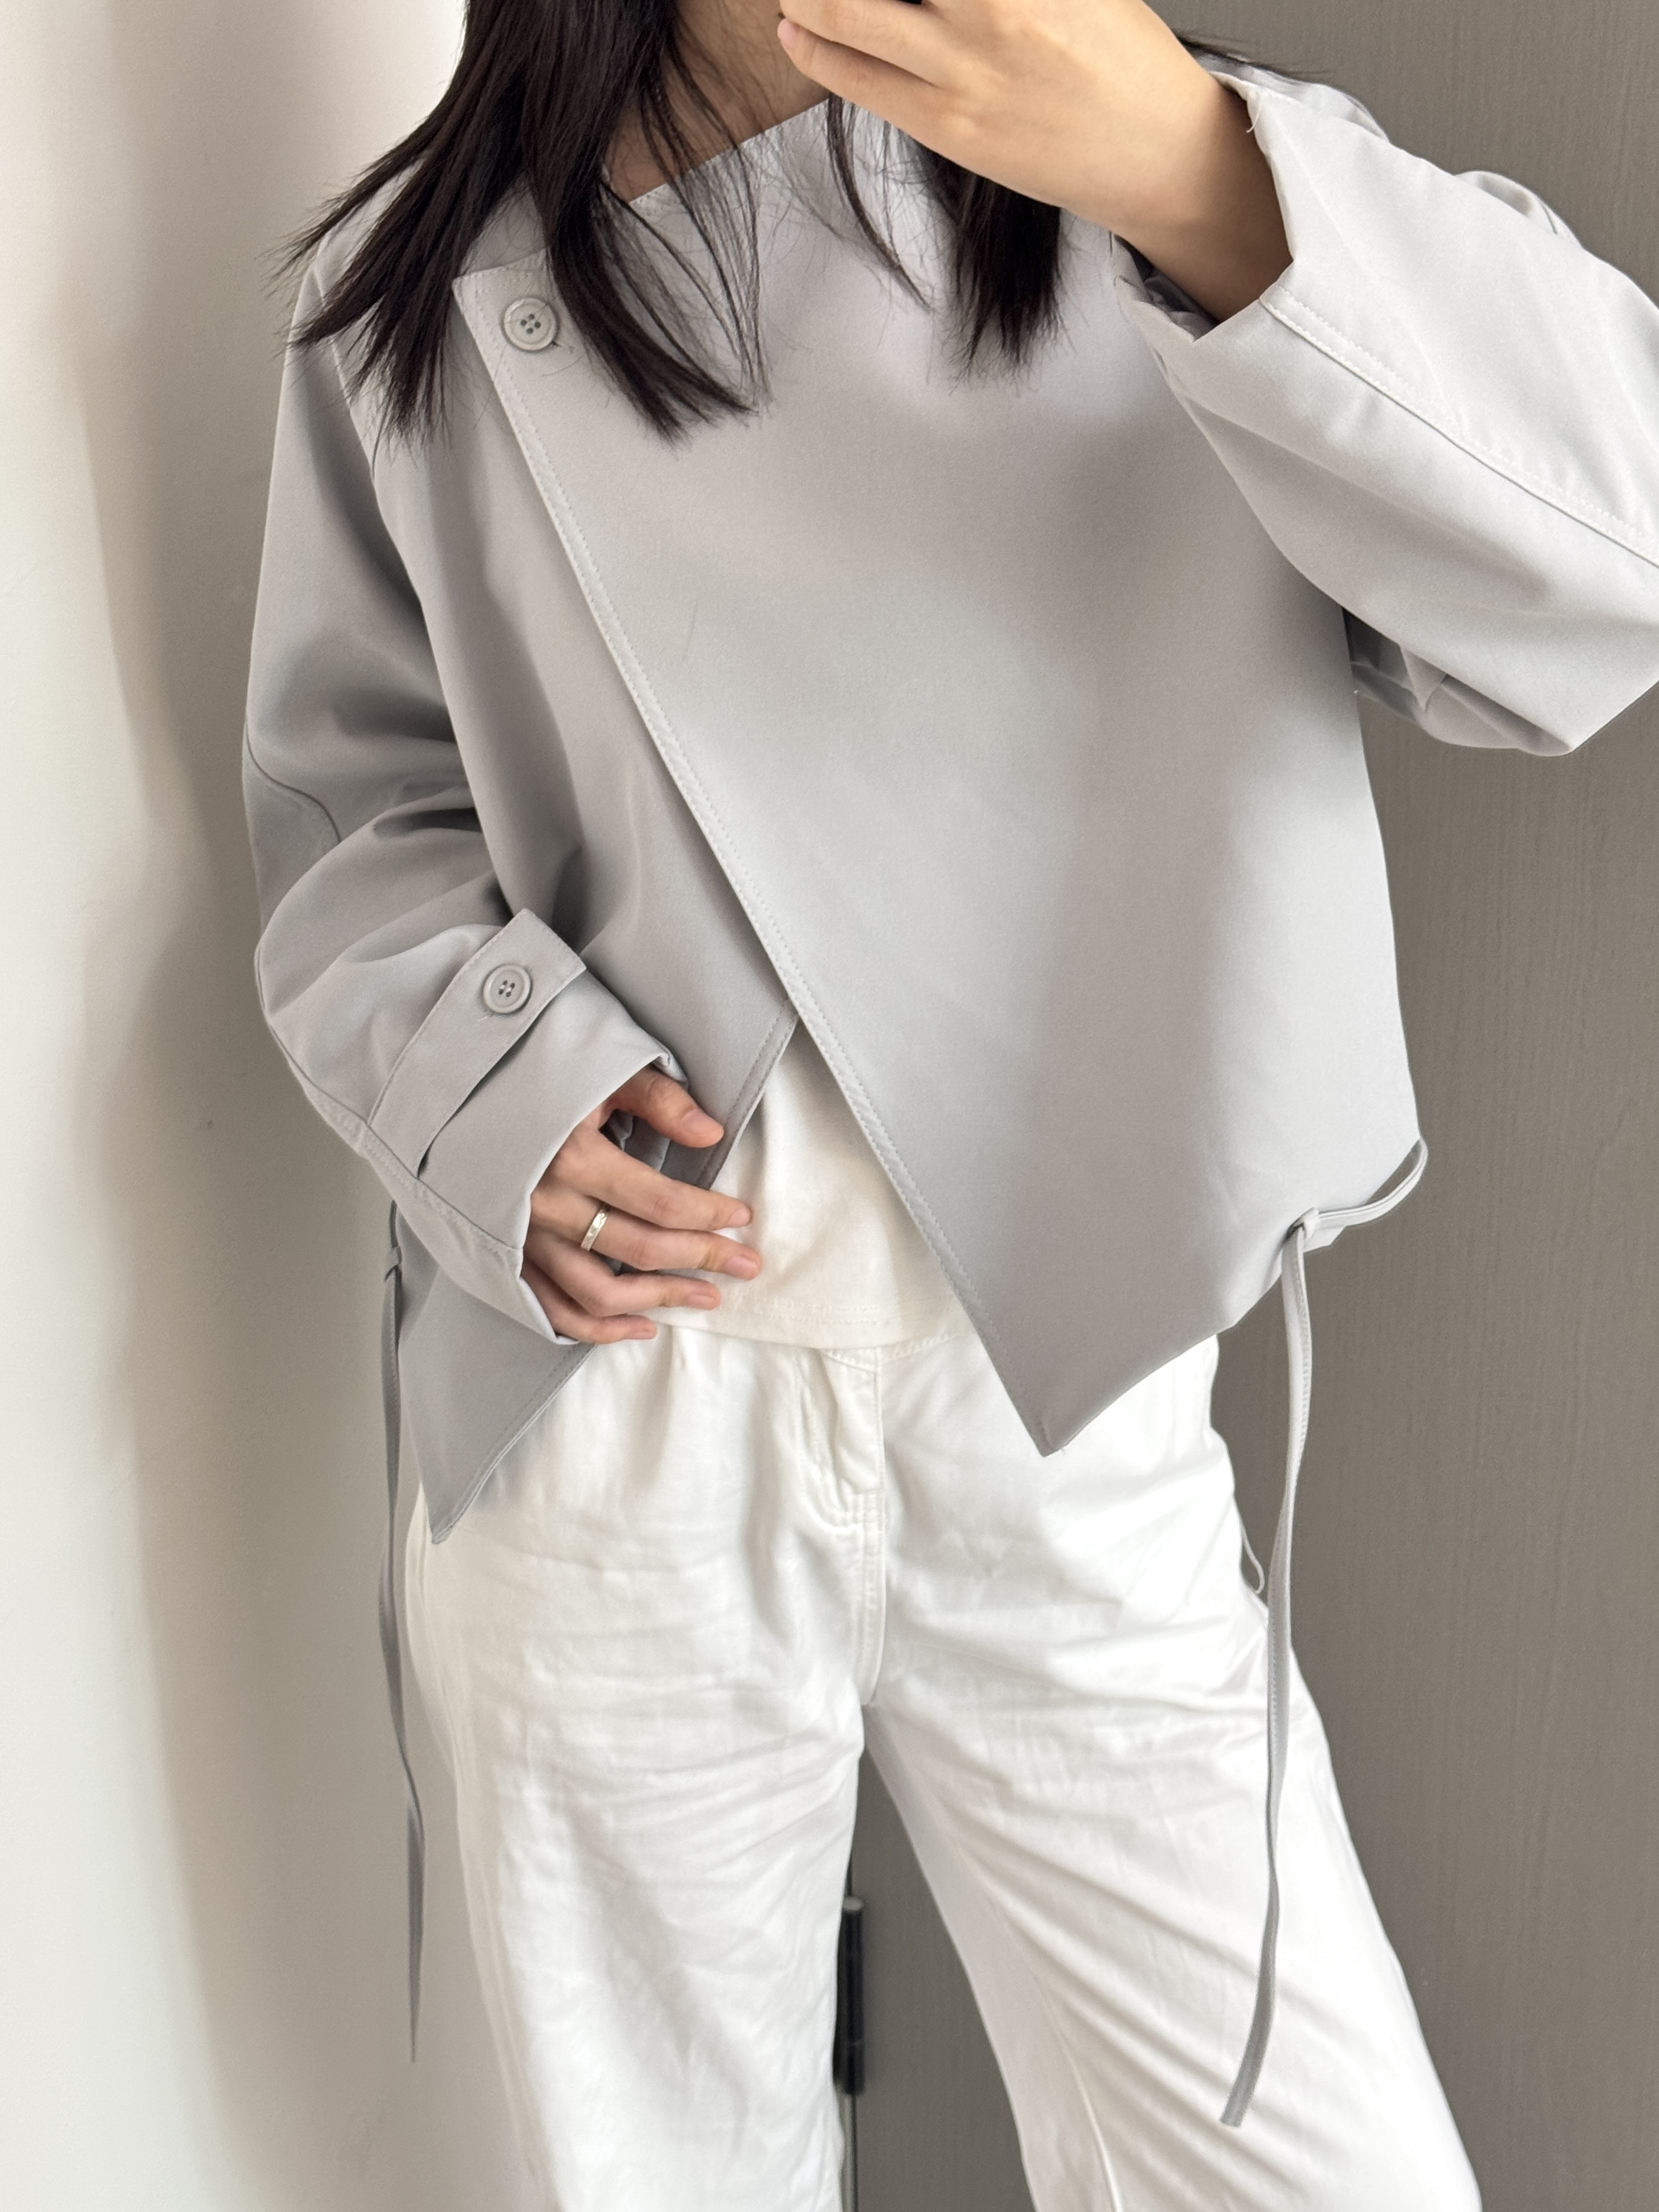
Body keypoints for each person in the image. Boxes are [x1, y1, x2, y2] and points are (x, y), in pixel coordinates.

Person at [243, 0, 1659, 2204]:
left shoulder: (1172, 173)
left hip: (1072, 1393)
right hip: (613, 1407)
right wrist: (498, 1094)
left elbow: (1608, 549)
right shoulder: (424, 282)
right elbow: (357, 799)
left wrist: (1188, 164)